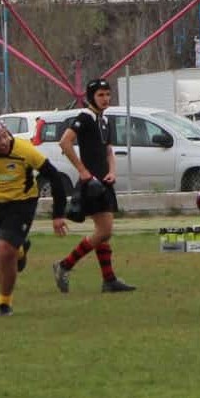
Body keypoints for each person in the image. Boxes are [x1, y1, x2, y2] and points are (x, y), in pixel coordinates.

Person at [0, 116, 72, 316]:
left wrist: (58, 214)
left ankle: (4, 303)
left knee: (4, 250)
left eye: (5, 136)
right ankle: (20, 250)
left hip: (22, 203)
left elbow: (54, 176)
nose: (3, 142)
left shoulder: (24, 150)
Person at [53, 78, 137, 294]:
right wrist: (82, 171)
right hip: (91, 184)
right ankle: (64, 265)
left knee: (103, 232)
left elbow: (108, 151)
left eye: (107, 94)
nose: (105, 98)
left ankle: (109, 280)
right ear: (91, 97)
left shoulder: (105, 120)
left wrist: (112, 171)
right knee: (104, 230)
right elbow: (65, 142)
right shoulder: (85, 117)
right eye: (100, 95)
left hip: (104, 182)